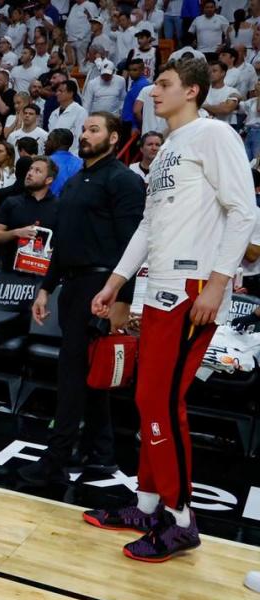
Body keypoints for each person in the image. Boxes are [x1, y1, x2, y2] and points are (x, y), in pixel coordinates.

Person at [86, 58, 257, 562]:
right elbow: (147, 227)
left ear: (193, 91)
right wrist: (116, 282)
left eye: (163, 84)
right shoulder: (164, 152)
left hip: (192, 290)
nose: (152, 92)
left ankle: (181, 519)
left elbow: (244, 211)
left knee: (161, 404)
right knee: (148, 402)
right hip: (157, 287)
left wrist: (217, 283)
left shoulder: (214, 135)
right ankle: (147, 505)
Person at [22, 112, 146, 486]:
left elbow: (132, 245)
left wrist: (122, 299)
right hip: (72, 286)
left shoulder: (124, 180)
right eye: (84, 129)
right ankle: (102, 453)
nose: (85, 134)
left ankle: (56, 459)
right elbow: (61, 241)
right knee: (90, 374)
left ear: (113, 138)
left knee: (73, 375)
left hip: (102, 284)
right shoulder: (74, 181)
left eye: (94, 129)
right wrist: (46, 287)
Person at [0, 155, 59, 270]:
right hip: (10, 274)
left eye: (37, 171)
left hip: (43, 276)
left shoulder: (59, 207)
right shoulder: (12, 202)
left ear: (49, 180)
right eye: (30, 169)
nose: (30, 173)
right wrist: (16, 232)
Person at [46, 128, 83, 195]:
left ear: (56, 142)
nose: (45, 142)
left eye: (49, 139)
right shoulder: (81, 163)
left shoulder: (45, 162)